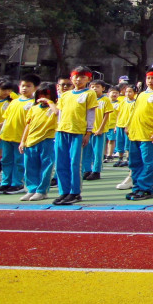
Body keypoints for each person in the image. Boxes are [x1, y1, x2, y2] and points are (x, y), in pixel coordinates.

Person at [123, 65, 153, 200]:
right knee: (135, 163)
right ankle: (137, 187)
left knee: (150, 163)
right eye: (148, 78)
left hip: (150, 134)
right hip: (135, 133)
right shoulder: (142, 94)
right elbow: (135, 111)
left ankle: (146, 189)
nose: (150, 81)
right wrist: (128, 125)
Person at [52, 66, 98, 206]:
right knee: (61, 163)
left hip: (77, 132)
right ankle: (63, 191)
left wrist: (88, 132)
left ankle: (75, 192)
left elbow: (90, 114)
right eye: (76, 76)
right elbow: (60, 113)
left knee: (74, 163)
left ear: (88, 79)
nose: (78, 79)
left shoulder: (89, 94)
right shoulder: (65, 95)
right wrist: (57, 129)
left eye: (83, 77)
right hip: (62, 131)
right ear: (71, 78)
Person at [18, 77, 56, 201]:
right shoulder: (34, 108)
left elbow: (57, 113)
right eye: (40, 94)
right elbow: (28, 125)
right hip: (31, 141)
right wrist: (23, 141)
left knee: (46, 166)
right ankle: (31, 189)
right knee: (29, 167)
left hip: (47, 140)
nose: (43, 97)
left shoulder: (55, 107)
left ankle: (42, 190)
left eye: (46, 94)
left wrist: (50, 103)